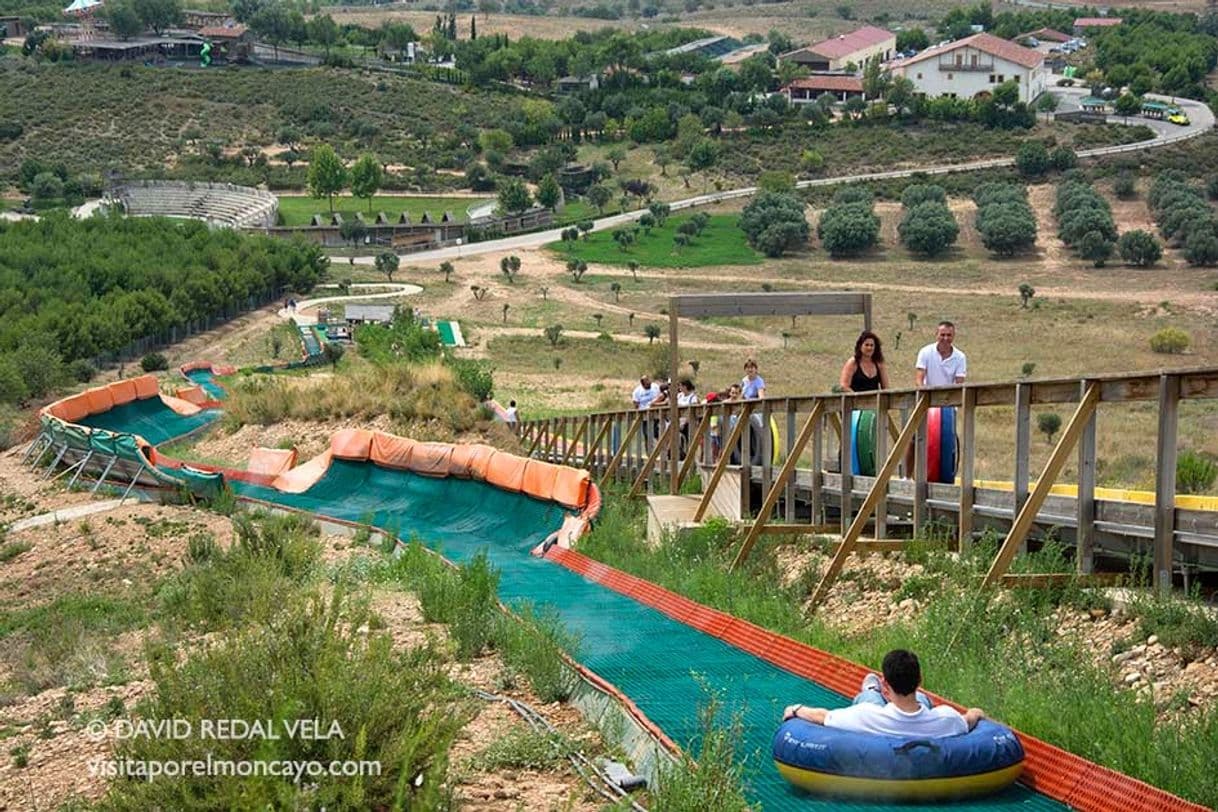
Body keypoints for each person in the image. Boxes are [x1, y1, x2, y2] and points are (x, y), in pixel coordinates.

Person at [781, 649, 985, 738]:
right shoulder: (947, 718)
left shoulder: (865, 715)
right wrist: (976, 712)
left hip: (881, 713)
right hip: (921, 714)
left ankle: (871, 688)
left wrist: (796, 708)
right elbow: (969, 719)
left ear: (887, 684)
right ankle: (917, 697)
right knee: (922, 700)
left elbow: (824, 717)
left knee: (869, 699)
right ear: (920, 680)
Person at [915, 321, 967, 387]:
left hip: (949, 394)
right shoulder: (925, 352)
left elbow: (959, 383)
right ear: (936, 335)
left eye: (949, 335)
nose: (946, 338)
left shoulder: (960, 357)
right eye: (942, 335)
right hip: (928, 393)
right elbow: (919, 379)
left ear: (953, 335)